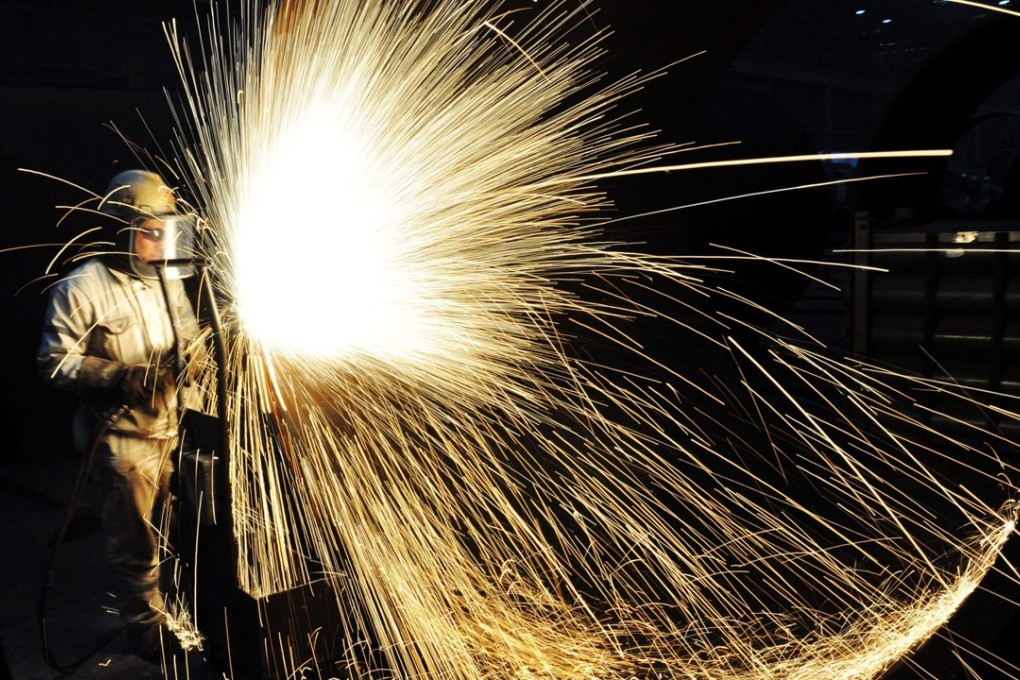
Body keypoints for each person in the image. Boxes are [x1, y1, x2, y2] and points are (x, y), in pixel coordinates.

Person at [37, 169, 200, 658]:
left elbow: (189, 334)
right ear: (120, 229)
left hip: (173, 429)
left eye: (164, 231)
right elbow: (53, 362)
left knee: (192, 528)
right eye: (149, 232)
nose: (159, 242)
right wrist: (119, 376)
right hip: (121, 442)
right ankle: (145, 632)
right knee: (137, 548)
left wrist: (195, 355)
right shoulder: (82, 287)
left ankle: (194, 613)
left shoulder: (167, 277)